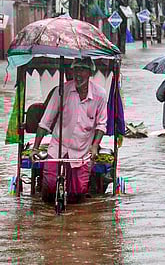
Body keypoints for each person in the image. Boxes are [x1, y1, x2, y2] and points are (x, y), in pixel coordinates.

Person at [30, 57, 108, 202]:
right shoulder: (62, 91)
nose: (78, 74)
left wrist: (95, 146)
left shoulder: (100, 94)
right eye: (76, 69)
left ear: (90, 73)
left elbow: (101, 124)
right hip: (59, 147)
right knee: (50, 187)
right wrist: (35, 148)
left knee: (78, 193)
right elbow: (45, 122)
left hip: (82, 149)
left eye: (83, 70)